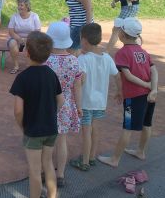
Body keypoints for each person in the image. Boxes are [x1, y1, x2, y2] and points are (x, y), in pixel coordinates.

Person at [10, 31, 64, 198]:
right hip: (51, 128)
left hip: (33, 130)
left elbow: (18, 110)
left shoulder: (23, 78)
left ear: (27, 53)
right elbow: (61, 99)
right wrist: (50, 114)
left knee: (34, 170)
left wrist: (22, 126)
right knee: (48, 164)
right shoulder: (51, 74)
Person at [98, 18, 158, 168]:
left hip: (134, 97)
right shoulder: (143, 51)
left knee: (128, 126)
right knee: (146, 123)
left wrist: (145, 85)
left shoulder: (122, 53)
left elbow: (128, 75)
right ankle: (140, 151)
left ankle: (114, 159)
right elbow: (154, 70)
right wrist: (153, 88)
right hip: (149, 95)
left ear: (122, 35)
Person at [70, 23, 121, 171]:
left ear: (84, 40)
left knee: (86, 131)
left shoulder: (83, 59)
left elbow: (82, 80)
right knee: (95, 128)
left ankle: (84, 161)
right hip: (100, 102)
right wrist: (120, 91)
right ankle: (92, 157)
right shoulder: (106, 57)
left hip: (86, 102)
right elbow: (117, 76)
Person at [45, 22, 82, 186]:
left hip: (48, 105)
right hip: (66, 103)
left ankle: (47, 170)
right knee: (62, 140)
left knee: (47, 141)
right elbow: (77, 86)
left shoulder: (46, 61)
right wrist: (79, 107)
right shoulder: (74, 61)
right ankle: (60, 175)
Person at [7, 0, 41, 74]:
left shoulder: (34, 16)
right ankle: (16, 66)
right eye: (18, 5)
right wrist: (19, 39)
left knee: (30, 46)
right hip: (16, 38)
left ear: (27, 6)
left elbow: (37, 32)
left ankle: (29, 67)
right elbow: (11, 31)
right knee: (12, 43)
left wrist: (27, 39)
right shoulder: (14, 16)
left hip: (30, 38)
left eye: (21, 5)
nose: (19, 7)